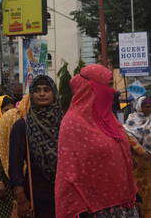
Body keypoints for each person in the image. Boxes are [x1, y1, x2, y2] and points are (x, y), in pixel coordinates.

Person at [56, 64, 139, 218]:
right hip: (93, 209)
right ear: (91, 88)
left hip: (123, 206)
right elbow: (68, 173)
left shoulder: (108, 119)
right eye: (107, 85)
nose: (113, 91)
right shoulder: (73, 123)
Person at [9, 76, 62, 218]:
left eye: (46, 90)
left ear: (54, 93)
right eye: (37, 90)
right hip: (36, 194)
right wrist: (21, 198)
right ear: (31, 94)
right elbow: (15, 164)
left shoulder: (65, 123)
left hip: (64, 192)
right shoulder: (22, 126)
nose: (42, 94)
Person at [0, 96, 29, 218]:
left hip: (21, 183)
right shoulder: (3, 124)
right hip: (2, 185)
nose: (8, 112)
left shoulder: (25, 122)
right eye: (5, 110)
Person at [125, 95, 151, 216]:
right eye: (147, 106)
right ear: (139, 107)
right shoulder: (131, 119)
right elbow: (127, 136)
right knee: (141, 194)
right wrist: (141, 151)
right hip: (139, 167)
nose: (149, 108)